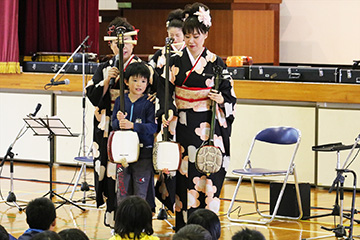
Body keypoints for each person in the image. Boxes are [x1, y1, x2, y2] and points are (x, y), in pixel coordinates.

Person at [155, 2, 237, 230]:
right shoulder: (174, 60)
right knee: (183, 176)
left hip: (208, 127)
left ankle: (208, 229)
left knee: (207, 174)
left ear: (206, 36)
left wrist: (222, 100)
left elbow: (229, 94)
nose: (191, 41)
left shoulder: (216, 62)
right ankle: (182, 228)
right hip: (181, 124)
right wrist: (166, 109)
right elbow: (164, 90)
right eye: (188, 35)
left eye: (197, 36)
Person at [85, 16, 157, 227]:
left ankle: (141, 221)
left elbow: (156, 92)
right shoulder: (105, 66)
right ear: (110, 43)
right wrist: (108, 80)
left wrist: (151, 97)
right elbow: (93, 96)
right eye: (117, 42)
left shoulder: (144, 67)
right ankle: (116, 221)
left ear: (133, 41)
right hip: (109, 124)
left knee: (139, 175)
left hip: (136, 127)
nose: (122, 46)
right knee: (112, 173)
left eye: (126, 41)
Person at [111, 61, 157, 210]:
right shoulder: (120, 101)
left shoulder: (149, 103)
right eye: (135, 80)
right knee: (122, 191)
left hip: (143, 154)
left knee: (140, 191)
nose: (139, 84)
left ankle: (140, 225)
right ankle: (122, 224)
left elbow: (153, 127)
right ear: (126, 81)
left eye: (143, 81)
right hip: (122, 153)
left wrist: (134, 126)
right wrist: (119, 122)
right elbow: (113, 124)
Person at [149, 8, 185, 76]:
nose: (174, 38)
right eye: (171, 35)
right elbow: (150, 68)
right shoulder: (162, 52)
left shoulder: (189, 51)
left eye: (178, 35)